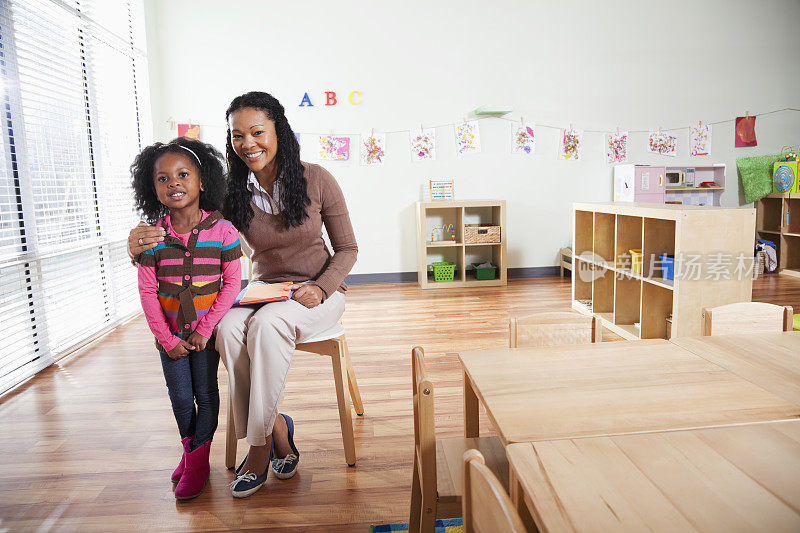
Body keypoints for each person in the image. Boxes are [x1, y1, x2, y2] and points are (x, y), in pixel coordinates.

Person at [128, 91, 358, 499]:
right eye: (237, 136)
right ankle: (277, 427)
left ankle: (257, 447)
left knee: (269, 324)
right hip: (264, 290)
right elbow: (189, 231)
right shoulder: (231, 193)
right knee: (227, 327)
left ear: (278, 131)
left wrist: (320, 288)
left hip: (318, 291)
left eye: (257, 132)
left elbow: (347, 249)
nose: (247, 143)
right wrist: (136, 246)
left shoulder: (317, 178)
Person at [130, 137, 242, 500]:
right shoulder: (152, 238)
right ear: (153, 189)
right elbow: (148, 293)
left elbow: (232, 283)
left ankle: (196, 463)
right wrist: (167, 339)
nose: (173, 183)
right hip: (170, 337)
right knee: (180, 397)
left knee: (206, 394)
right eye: (162, 178)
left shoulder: (223, 230)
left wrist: (205, 330)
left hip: (204, 336)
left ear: (202, 180)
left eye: (182, 175)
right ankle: (191, 453)